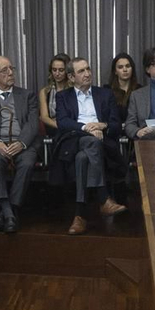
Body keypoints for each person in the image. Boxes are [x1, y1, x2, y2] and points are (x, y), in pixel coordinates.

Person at [52, 57, 127, 235]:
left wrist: (103, 125)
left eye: (88, 69)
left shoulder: (105, 94)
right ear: (71, 77)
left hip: (100, 146)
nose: (87, 74)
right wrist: (87, 128)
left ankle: (79, 216)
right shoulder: (63, 96)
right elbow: (63, 123)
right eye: (81, 71)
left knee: (83, 158)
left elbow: (116, 125)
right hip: (74, 141)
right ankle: (103, 198)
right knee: (90, 141)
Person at [0, 54, 39, 231]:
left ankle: (11, 211)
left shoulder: (27, 95)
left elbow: (33, 124)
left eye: (12, 68)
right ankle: (8, 211)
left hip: (24, 144)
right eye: (5, 70)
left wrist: (21, 143)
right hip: (0, 145)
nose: (10, 73)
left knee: (27, 163)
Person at [36, 53, 71, 134]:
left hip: (71, 127)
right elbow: (44, 117)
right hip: (53, 128)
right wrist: (59, 125)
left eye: (61, 70)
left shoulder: (74, 90)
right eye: (54, 70)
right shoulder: (45, 91)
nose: (57, 73)